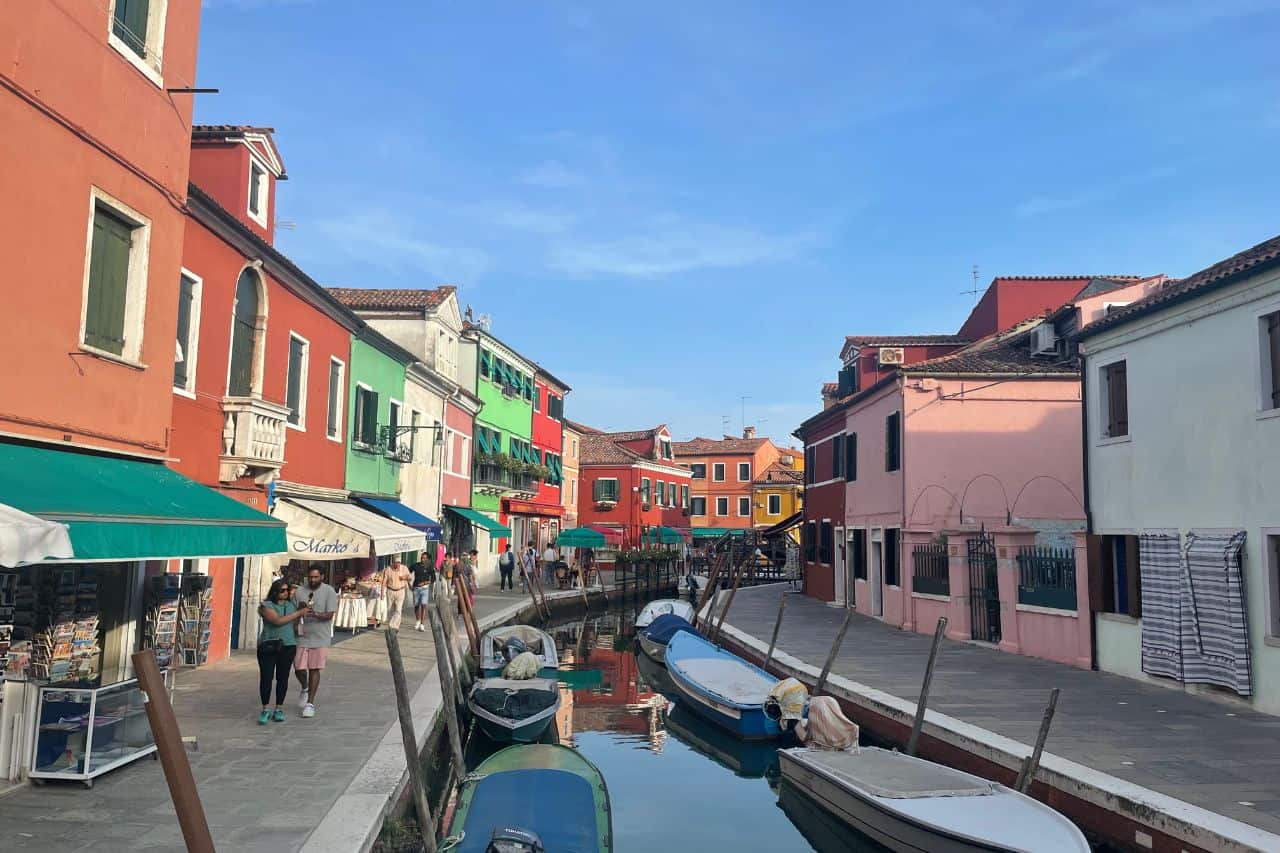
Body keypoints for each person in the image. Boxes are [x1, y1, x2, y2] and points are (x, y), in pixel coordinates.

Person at [256, 579, 306, 724]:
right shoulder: (266, 606)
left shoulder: (291, 605)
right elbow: (277, 621)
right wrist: (298, 613)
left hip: (288, 645)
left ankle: (279, 708)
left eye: (286, 590)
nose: (284, 593)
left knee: (282, 678)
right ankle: (265, 708)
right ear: (275, 591)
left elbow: (294, 624)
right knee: (266, 677)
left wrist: (301, 614)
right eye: (281, 590)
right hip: (268, 645)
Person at [293, 565, 337, 719]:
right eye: (310, 577)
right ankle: (305, 688)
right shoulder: (299, 591)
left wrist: (316, 614)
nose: (313, 580)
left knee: (314, 668)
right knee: (298, 667)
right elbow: (293, 612)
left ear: (322, 577)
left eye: (316, 577)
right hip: (302, 635)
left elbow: (330, 614)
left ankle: (310, 703)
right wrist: (299, 611)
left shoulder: (329, 591)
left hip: (320, 636)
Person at [382, 557, 412, 631]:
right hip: (390, 591)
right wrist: (382, 592)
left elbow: (410, 578)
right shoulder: (388, 569)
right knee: (389, 609)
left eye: (399, 563)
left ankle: (395, 626)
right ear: (393, 563)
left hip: (400, 591)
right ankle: (391, 624)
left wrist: (404, 578)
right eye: (396, 562)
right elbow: (384, 581)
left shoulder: (404, 568)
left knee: (398, 609)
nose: (397, 564)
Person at [411, 555, 435, 631]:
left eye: (424, 558)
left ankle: (422, 624)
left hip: (425, 589)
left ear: (427, 559)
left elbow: (433, 578)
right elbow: (408, 572)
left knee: (424, 605)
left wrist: (425, 583)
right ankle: (418, 620)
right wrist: (409, 584)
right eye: (422, 557)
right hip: (416, 588)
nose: (423, 559)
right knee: (416, 605)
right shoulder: (416, 565)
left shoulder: (429, 567)